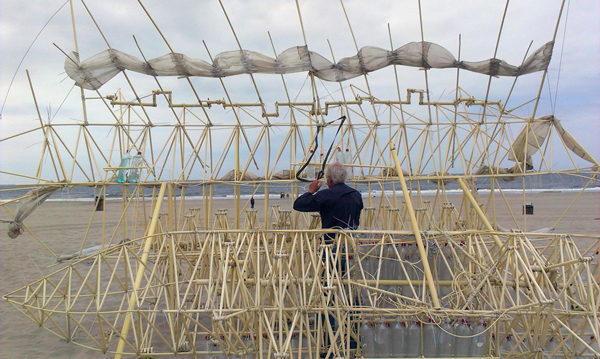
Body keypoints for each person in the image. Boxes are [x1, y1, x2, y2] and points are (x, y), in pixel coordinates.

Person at [293, 162, 363, 243]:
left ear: (329, 179)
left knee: (329, 255)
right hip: (351, 240)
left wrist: (311, 191)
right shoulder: (356, 195)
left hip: (331, 242)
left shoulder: (326, 195)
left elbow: (298, 204)